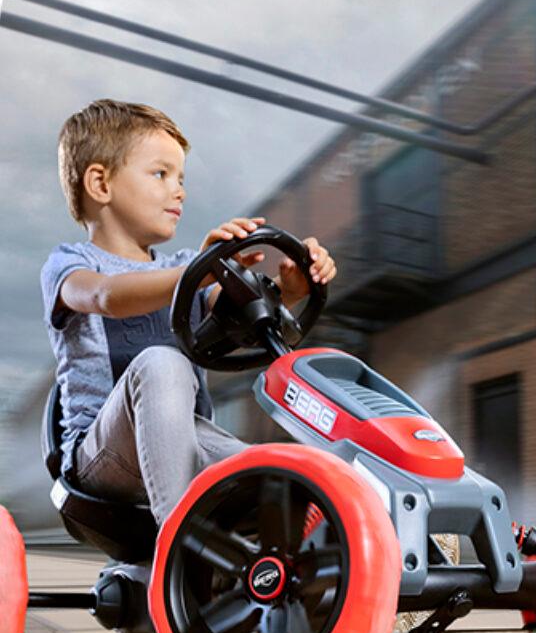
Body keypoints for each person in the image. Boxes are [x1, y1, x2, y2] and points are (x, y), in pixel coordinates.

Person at [40, 98, 336, 526]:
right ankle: (177, 545)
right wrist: (197, 273)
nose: (179, 190)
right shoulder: (69, 264)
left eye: (181, 177)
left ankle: (396, 543)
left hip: (185, 444)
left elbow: (240, 323)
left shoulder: (183, 268)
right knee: (163, 362)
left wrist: (290, 292)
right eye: (161, 174)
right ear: (100, 184)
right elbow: (107, 296)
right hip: (104, 457)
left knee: (293, 476)